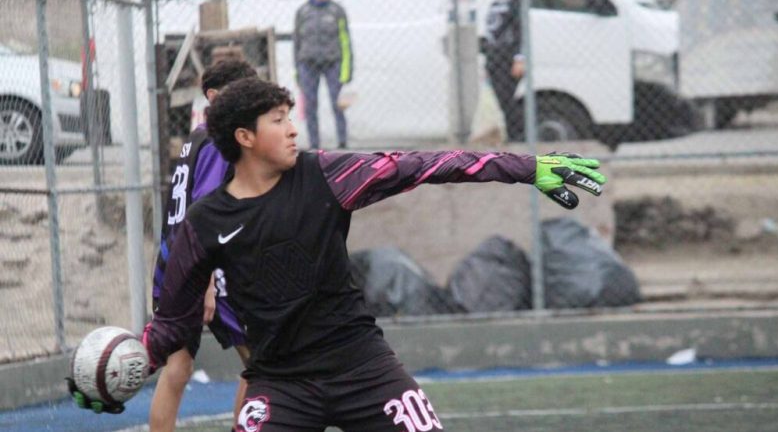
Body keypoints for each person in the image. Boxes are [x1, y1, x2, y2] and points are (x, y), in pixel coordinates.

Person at [83, 77, 605, 430]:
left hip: (364, 369)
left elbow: (428, 165)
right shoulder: (206, 223)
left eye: (290, 117)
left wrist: (527, 168)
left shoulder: (327, 176)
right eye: (278, 120)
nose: (293, 128)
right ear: (245, 137)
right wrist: (118, 372)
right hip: (280, 385)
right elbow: (172, 325)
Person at [68, 59, 256, 431]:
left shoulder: (196, 137)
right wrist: (206, 282)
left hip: (172, 263)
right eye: (241, 95)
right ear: (214, 97)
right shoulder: (218, 141)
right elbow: (205, 211)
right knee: (261, 363)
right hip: (200, 266)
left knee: (179, 366)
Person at [294, 0, 353, 149]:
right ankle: (314, 144)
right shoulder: (302, 12)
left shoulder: (337, 11)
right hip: (307, 64)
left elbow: (345, 42)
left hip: (332, 63)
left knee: (337, 103)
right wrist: (297, 71)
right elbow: (297, 43)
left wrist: (347, 70)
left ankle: (342, 142)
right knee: (310, 105)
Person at [485, 0, 526, 142]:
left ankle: (518, 136)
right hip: (494, 58)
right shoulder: (495, 3)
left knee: (509, 98)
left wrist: (519, 58)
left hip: (508, 57)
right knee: (501, 99)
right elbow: (490, 33)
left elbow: (520, 31)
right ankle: (510, 134)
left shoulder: (516, 3)